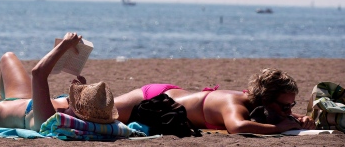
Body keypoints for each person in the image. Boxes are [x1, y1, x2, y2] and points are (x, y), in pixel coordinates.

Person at [113, 68, 316, 134]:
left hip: (174, 96)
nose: (288, 111)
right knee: (85, 110)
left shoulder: (256, 101)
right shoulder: (234, 104)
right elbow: (237, 127)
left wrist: (299, 118)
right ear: (267, 99)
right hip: (154, 101)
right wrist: (279, 128)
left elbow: (274, 113)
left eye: (292, 105)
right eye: (285, 106)